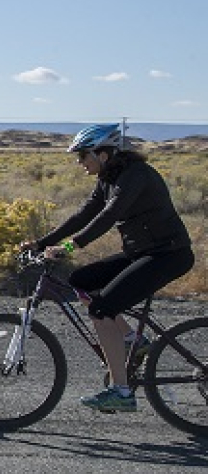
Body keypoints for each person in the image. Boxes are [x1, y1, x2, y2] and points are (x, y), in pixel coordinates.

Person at [21, 124, 195, 413]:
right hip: (141, 252)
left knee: (101, 309)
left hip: (169, 255)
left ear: (102, 153)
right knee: (80, 280)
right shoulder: (108, 178)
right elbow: (85, 214)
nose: (80, 164)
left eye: (82, 157)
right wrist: (41, 243)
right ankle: (132, 340)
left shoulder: (135, 176)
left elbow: (109, 215)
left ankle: (121, 390)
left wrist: (68, 247)